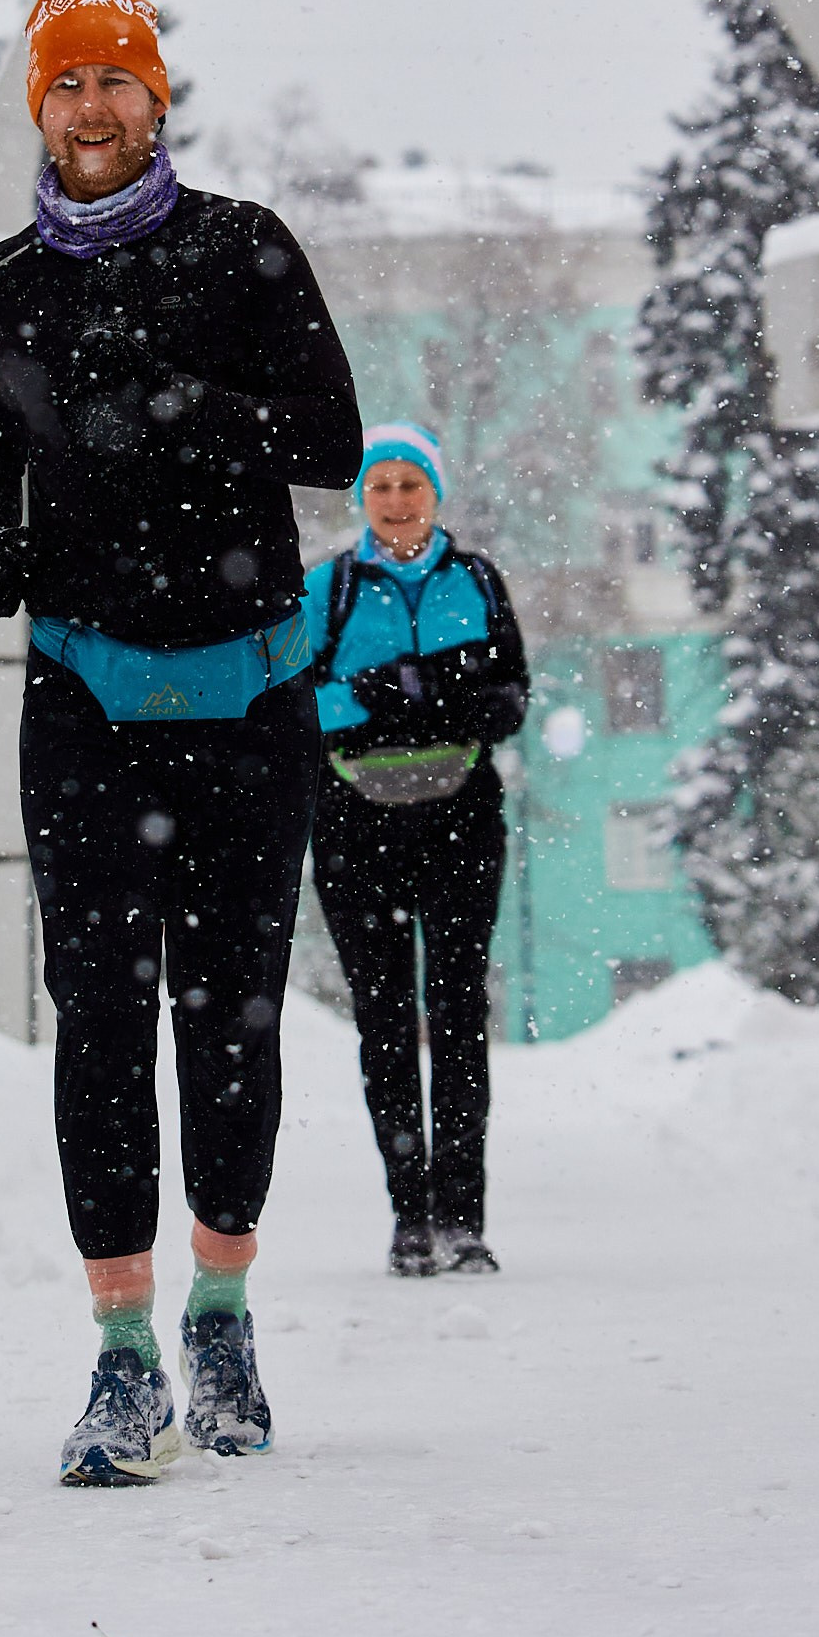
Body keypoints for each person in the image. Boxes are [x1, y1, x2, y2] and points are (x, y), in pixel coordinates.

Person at [0, 0, 362, 1486]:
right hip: (86, 704)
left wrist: (191, 409)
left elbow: (334, 439)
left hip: (247, 696)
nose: (91, 105)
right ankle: (122, 1355)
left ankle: (223, 1315)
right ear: (38, 108)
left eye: (115, 77)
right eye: (65, 81)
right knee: (103, 1017)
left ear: (155, 97)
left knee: (229, 1012)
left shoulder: (244, 250)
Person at [305, 422, 529, 1278]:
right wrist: (390, 696)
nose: (396, 500)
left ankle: (463, 1219)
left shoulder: (476, 581)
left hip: (461, 819)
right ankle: (410, 1217)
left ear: (436, 493)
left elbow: (510, 698)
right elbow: (295, 704)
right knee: (386, 1018)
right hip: (355, 824)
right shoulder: (328, 589)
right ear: (362, 497)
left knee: (459, 1011)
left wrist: (417, 693)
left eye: (411, 484)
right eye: (381, 485)